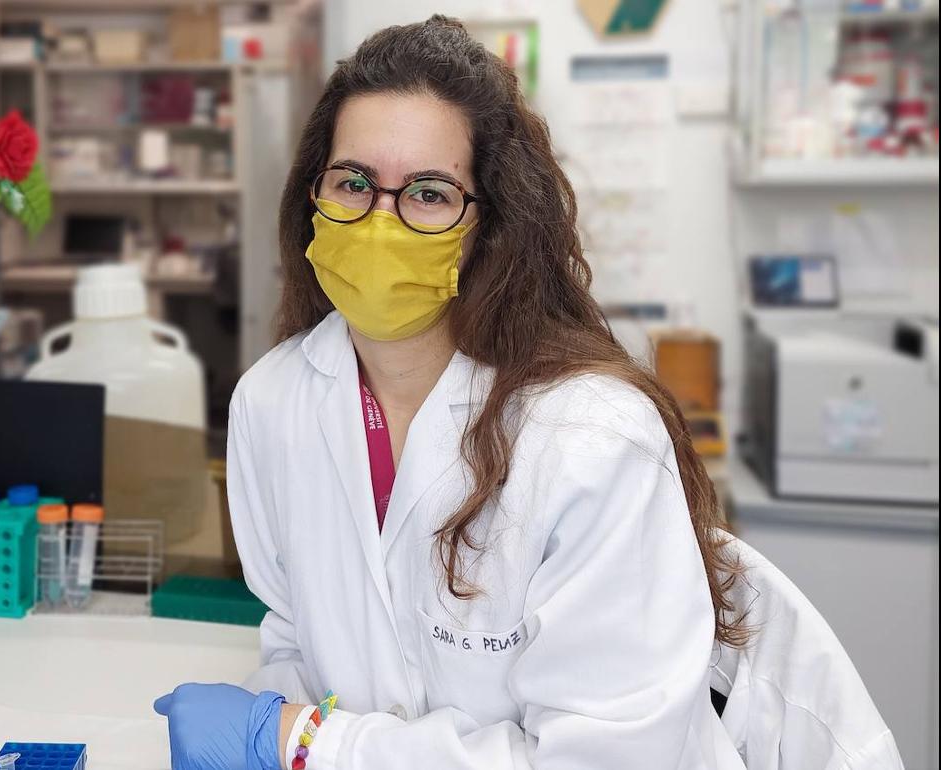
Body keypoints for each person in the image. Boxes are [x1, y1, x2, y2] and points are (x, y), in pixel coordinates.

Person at [154, 15, 747, 769]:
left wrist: (300, 744)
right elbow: (297, 642)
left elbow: (604, 758)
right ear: (314, 197)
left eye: (429, 194)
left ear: (487, 227)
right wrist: (277, 718)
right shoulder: (271, 403)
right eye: (353, 182)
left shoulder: (591, 438)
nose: (378, 221)